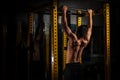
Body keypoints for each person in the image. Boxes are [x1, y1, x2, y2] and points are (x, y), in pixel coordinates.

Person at [61, 5, 93, 80]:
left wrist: (64, 11)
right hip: (78, 66)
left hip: (70, 66)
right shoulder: (85, 40)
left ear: (76, 32)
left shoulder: (73, 39)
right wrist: (90, 14)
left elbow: (65, 26)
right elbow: (90, 28)